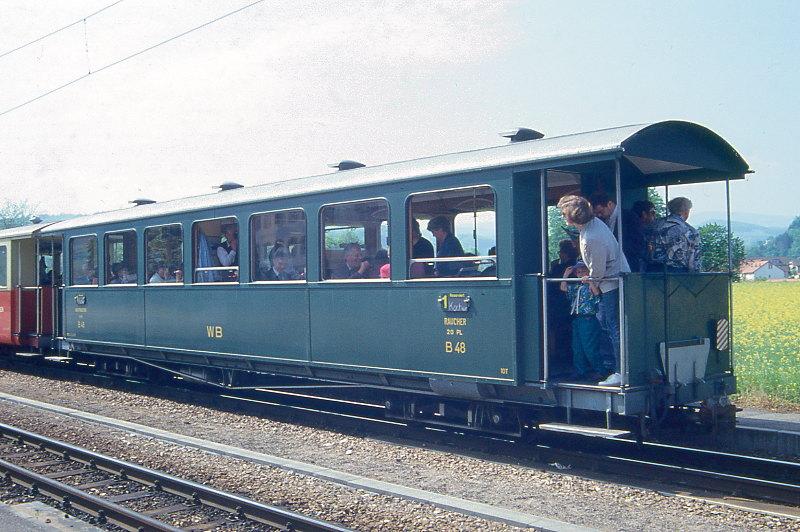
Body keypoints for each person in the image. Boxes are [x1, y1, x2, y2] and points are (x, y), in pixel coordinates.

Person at [557, 194, 630, 386]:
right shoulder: (595, 224)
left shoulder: (591, 238)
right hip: (611, 280)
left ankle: (620, 371)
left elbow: (597, 270)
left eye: (565, 214)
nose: (564, 217)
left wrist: (591, 282)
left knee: (613, 326)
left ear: (572, 218)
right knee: (609, 325)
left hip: (610, 284)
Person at [560, 261, 605, 381]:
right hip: (577, 319)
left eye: (583, 271)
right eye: (578, 272)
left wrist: (589, 280)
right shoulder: (576, 287)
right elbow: (563, 288)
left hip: (588, 319)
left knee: (590, 347)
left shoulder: (591, 285)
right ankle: (580, 370)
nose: (580, 274)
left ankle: (600, 370)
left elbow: (597, 293)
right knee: (577, 347)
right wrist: (565, 275)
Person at [647, 197, 702, 273]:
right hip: (679, 276)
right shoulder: (691, 231)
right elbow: (694, 262)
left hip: (652, 273)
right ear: (686, 211)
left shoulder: (654, 225)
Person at [547, 239, 579, 364]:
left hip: (560, 303)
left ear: (565, 253)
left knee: (559, 330)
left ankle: (559, 355)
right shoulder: (577, 267)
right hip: (570, 304)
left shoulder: (559, 268)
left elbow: (552, 285)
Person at [624, 200, 656, 272]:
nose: (654, 216)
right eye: (652, 213)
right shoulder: (638, 230)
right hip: (637, 266)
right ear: (644, 214)